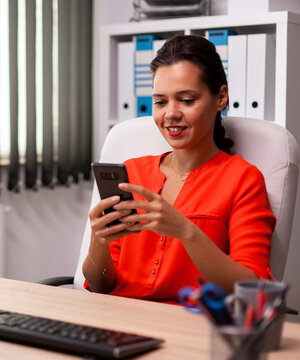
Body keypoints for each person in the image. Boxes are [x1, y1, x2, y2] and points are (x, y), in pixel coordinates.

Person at [83, 35, 275, 301]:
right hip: (117, 320)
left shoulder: (243, 179)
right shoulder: (131, 173)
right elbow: (100, 285)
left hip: (190, 326)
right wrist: (98, 240)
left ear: (220, 98)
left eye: (186, 100)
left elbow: (251, 289)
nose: (170, 114)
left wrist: (185, 231)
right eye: (161, 102)